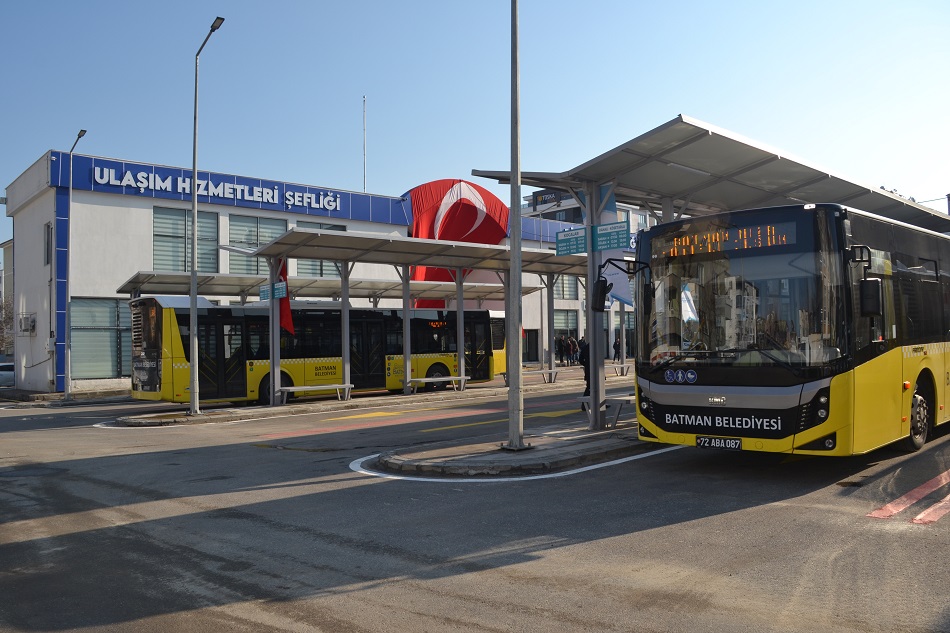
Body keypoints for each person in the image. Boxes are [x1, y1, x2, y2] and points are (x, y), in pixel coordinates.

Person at [579, 337, 591, 410]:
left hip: (589, 370)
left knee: (589, 388)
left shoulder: (585, 348)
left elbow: (580, 359)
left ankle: (584, 405)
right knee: (589, 388)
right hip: (595, 371)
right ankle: (584, 404)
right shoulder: (597, 347)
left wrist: (586, 364)